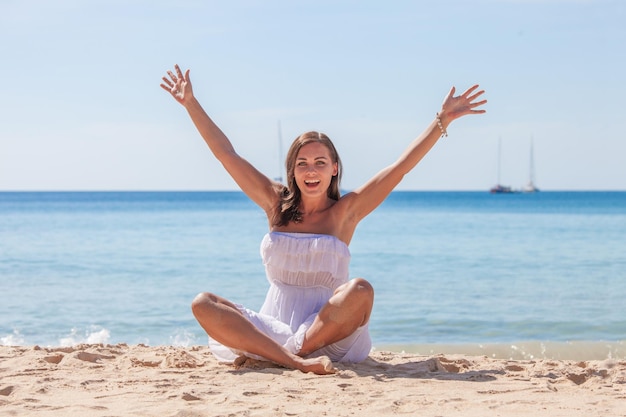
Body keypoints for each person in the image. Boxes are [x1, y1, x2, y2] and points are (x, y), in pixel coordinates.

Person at [160, 64, 486, 375]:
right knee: (203, 303)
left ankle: (292, 356)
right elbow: (226, 154)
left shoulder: (347, 211)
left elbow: (399, 168)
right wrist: (190, 103)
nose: (311, 170)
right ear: (292, 171)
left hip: (327, 333)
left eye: (319, 162)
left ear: (334, 168)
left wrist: (441, 120)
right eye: (302, 163)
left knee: (360, 290)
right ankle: (292, 360)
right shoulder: (275, 202)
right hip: (273, 329)